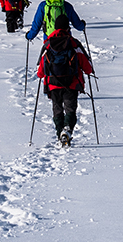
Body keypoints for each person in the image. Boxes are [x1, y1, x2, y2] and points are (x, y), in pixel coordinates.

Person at [36, 15, 93, 145]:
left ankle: (59, 133)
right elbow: (86, 66)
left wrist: (41, 75)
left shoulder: (48, 45)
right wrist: (89, 71)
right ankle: (67, 131)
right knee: (70, 109)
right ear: (68, 27)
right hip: (71, 83)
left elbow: (41, 69)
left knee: (57, 109)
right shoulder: (74, 43)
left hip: (53, 84)